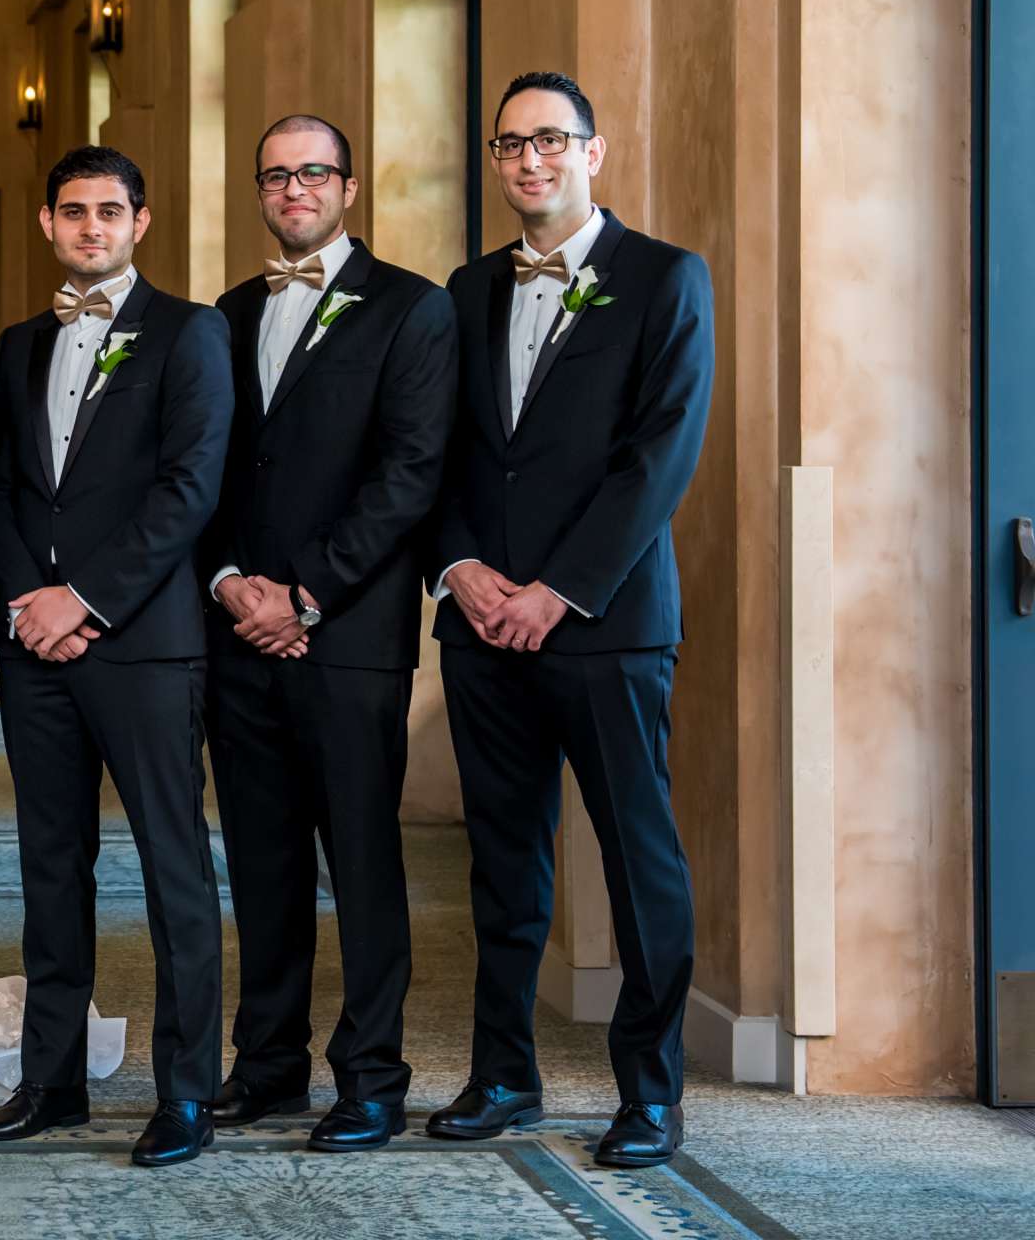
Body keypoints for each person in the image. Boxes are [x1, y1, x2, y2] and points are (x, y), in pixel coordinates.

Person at [424, 71, 713, 1169]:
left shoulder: (664, 278)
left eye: (549, 140)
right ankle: (503, 1072)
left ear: (595, 152)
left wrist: (559, 588)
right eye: (509, 145)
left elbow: (659, 455)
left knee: (640, 860)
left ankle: (650, 1091)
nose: (528, 161)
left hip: (605, 621)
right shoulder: (464, 288)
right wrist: (460, 567)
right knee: (502, 862)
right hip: (482, 623)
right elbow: (440, 449)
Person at [0, 147, 235, 1168]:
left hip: (145, 644)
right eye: (74, 211)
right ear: (47, 223)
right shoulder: (17, 343)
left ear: (142, 220)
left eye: (110, 211)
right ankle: (53, 1080)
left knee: (173, 868)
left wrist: (85, 601)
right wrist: (29, 607)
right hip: (37, 648)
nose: (91, 227)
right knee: (50, 865)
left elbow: (190, 485)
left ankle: (185, 1093)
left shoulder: (189, 332)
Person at [199, 115, 457, 1151]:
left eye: (313, 172)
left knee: (361, 859)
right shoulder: (223, 314)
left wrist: (301, 596)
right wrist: (229, 585)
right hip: (237, 634)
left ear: (347, 187)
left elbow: (409, 475)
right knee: (259, 861)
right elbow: (206, 471)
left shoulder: (412, 310)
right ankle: (267, 1065)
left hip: (346, 635)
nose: (294, 188)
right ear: (259, 191)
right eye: (276, 174)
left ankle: (373, 1079)